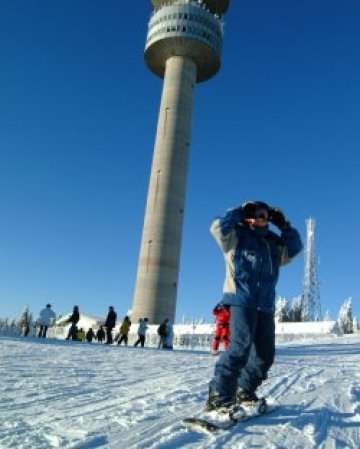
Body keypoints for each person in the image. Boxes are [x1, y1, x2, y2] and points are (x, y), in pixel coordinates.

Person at [206, 201, 303, 414]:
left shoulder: (273, 243)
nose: (262, 217)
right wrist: (240, 212)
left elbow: (295, 248)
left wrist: (285, 226)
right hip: (241, 299)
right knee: (239, 349)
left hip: (265, 305)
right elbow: (217, 226)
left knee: (264, 355)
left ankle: (244, 389)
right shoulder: (235, 235)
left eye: (266, 215)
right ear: (249, 215)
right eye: (258, 213)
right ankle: (219, 396)